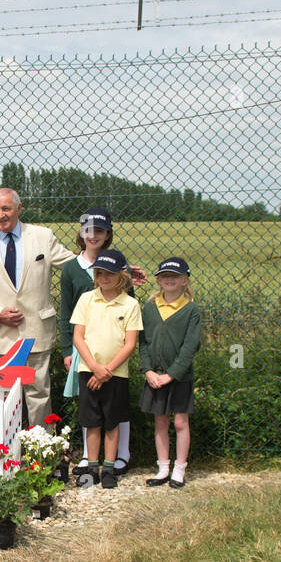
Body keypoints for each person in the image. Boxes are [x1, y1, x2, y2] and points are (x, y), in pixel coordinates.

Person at [0, 188, 75, 428]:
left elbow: (74, 264)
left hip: (35, 330)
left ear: (19, 209)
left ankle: (40, 453)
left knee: (39, 395)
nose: (0, 215)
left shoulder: (42, 237)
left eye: (6, 208)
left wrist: (118, 268)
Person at [60, 208, 134, 475]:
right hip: (84, 349)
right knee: (88, 402)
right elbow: (66, 312)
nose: (94, 236)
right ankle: (90, 459)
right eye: (88, 230)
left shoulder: (117, 263)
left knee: (115, 403)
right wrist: (68, 348)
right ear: (81, 233)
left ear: (108, 234)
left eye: (100, 231)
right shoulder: (71, 268)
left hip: (114, 353)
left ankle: (121, 455)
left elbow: (129, 302)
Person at [69, 249, 142, 489]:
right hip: (88, 370)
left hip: (116, 373)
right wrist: (94, 367)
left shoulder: (130, 305)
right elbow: (78, 337)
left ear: (122, 275)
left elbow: (130, 343)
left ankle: (109, 468)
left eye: (110, 273)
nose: (104, 278)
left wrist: (107, 370)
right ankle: (92, 468)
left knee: (112, 422)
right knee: (92, 421)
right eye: (99, 273)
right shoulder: (87, 300)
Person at [140, 256, 202, 489]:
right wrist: (147, 370)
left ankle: (180, 468)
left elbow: (190, 346)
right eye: (164, 276)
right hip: (154, 376)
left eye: (175, 276)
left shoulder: (191, 310)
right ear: (157, 280)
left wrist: (172, 374)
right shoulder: (149, 307)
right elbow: (143, 341)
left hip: (179, 377)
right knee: (160, 422)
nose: (169, 280)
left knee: (180, 422)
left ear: (185, 280)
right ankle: (163, 468)